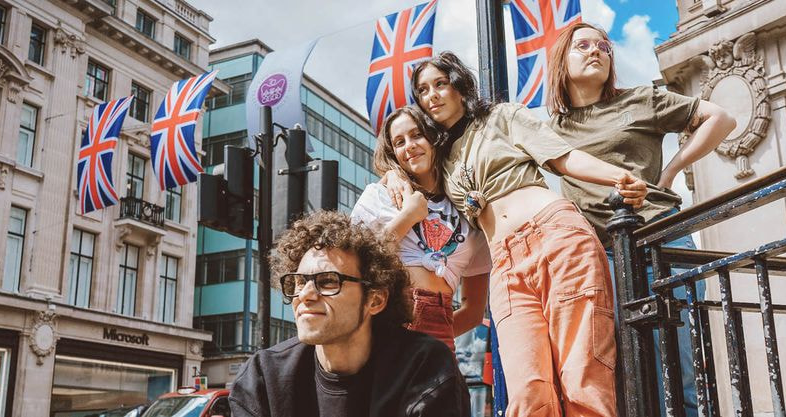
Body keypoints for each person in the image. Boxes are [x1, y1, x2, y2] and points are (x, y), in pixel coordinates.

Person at [384, 51, 649, 417]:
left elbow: (562, 156)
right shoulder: (440, 157)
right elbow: (405, 162)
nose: (431, 95)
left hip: (555, 236)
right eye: (422, 90)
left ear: (459, 86)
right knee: (527, 390)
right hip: (504, 265)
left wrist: (618, 177)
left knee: (581, 375)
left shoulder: (501, 117)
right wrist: (394, 174)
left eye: (440, 84)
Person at [546, 22, 736, 417]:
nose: (596, 50)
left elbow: (721, 119)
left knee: (678, 365)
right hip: (600, 257)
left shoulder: (641, 99)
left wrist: (666, 175)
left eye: (603, 45)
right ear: (562, 58)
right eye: (582, 45)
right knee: (618, 369)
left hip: (660, 240)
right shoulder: (551, 130)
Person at [228, 211, 470, 417]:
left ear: (375, 300)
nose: (305, 295)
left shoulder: (424, 367)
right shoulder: (264, 376)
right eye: (299, 282)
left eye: (329, 281)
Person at [352, 105, 491, 351]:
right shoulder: (379, 195)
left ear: (434, 138)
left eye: (417, 135)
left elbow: (473, 311)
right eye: (399, 142)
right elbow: (357, 263)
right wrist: (408, 215)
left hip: (441, 321)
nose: (409, 145)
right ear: (393, 153)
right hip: (389, 316)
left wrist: (439, 337)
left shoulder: (465, 204)